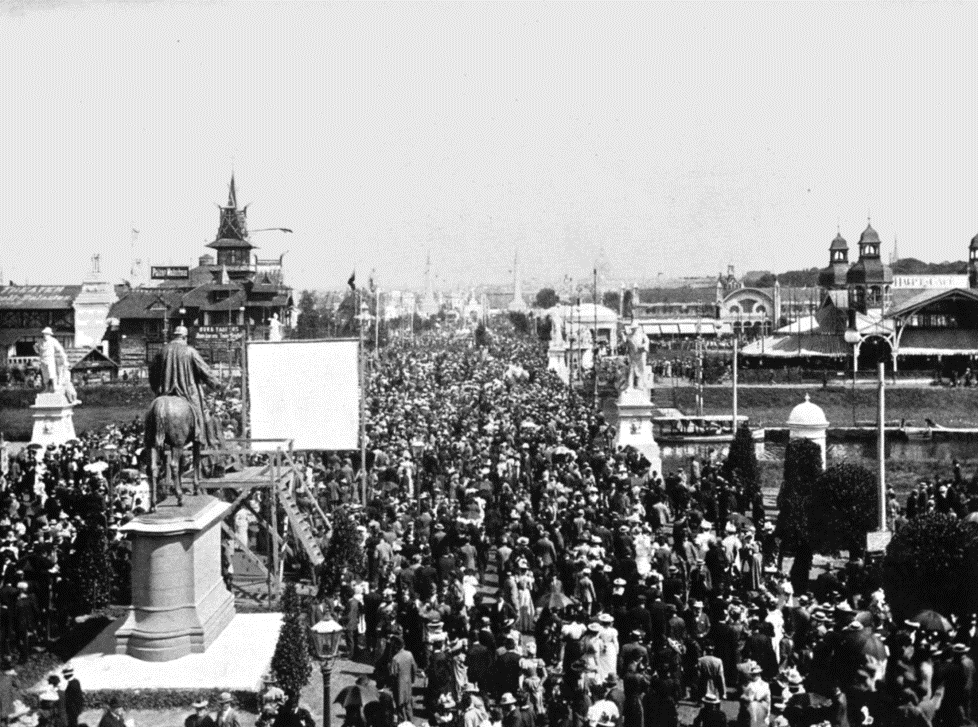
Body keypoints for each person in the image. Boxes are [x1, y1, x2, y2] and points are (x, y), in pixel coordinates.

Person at [148, 325, 221, 448]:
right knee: (201, 412)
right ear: (184, 337)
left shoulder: (162, 351)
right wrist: (216, 384)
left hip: (165, 391)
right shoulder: (190, 351)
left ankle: (149, 437)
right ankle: (199, 436)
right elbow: (204, 370)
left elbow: (152, 372)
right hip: (188, 392)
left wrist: (156, 388)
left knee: (152, 412)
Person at [34, 328, 78, 404]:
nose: (45, 335)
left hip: (50, 359)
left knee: (52, 374)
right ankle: (47, 388)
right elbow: (35, 347)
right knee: (45, 375)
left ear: (50, 334)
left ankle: (55, 387)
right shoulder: (40, 341)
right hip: (43, 360)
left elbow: (60, 350)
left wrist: (65, 360)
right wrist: (36, 349)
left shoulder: (53, 341)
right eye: (44, 334)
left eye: (47, 334)